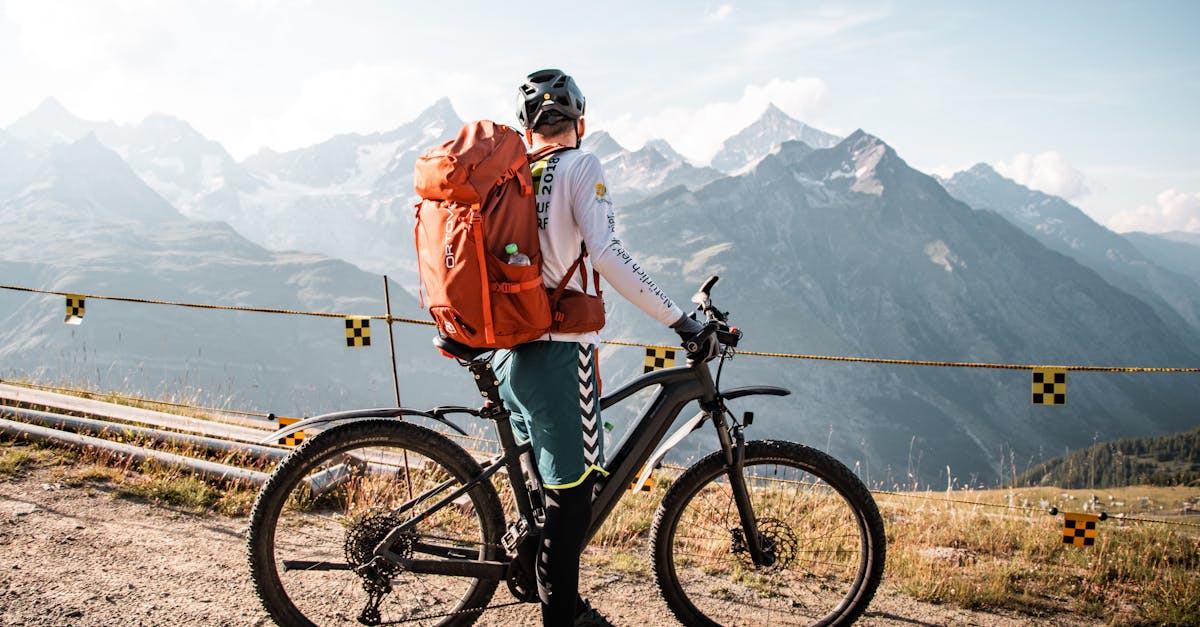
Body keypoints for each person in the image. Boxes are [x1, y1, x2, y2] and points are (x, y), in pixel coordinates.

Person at [498, 68, 715, 627]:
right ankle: (560, 618)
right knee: (573, 497)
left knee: (552, 491)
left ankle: (554, 592)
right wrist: (680, 320)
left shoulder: (513, 174)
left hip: (510, 352)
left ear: (528, 129)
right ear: (581, 123)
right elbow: (609, 255)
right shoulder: (580, 166)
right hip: (558, 352)